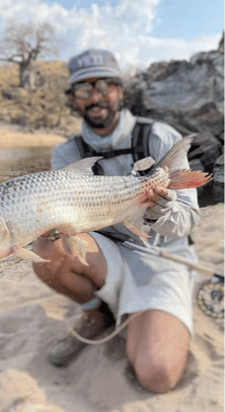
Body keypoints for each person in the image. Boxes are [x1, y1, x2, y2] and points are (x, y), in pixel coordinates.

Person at [32, 49, 199, 393]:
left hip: (161, 257)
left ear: (120, 91)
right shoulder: (66, 153)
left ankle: (137, 311)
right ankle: (98, 314)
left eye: (105, 85)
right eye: (83, 90)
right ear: (72, 99)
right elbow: (66, 229)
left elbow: (187, 222)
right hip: (107, 251)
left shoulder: (159, 135)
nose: (95, 97)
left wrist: (157, 207)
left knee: (157, 375)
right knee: (45, 249)